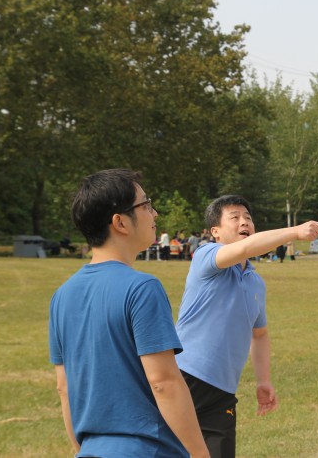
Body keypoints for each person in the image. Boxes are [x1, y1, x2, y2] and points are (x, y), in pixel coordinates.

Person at [48, 169, 209, 458]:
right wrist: (199, 454)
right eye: (146, 205)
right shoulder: (142, 288)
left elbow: (64, 387)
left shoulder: (61, 296)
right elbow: (163, 382)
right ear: (120, 222)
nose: (155, 214)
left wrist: (82, 449)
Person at [175, 195, 318, 457]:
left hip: (223, 391)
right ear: (215, 232)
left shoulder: (255, 282)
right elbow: (245, 249)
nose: (244, 222)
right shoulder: (206, 256)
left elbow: (260, 334)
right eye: (235, 217)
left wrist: (263, 380)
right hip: (184, 379)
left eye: (248, 218)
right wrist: (294, 232)